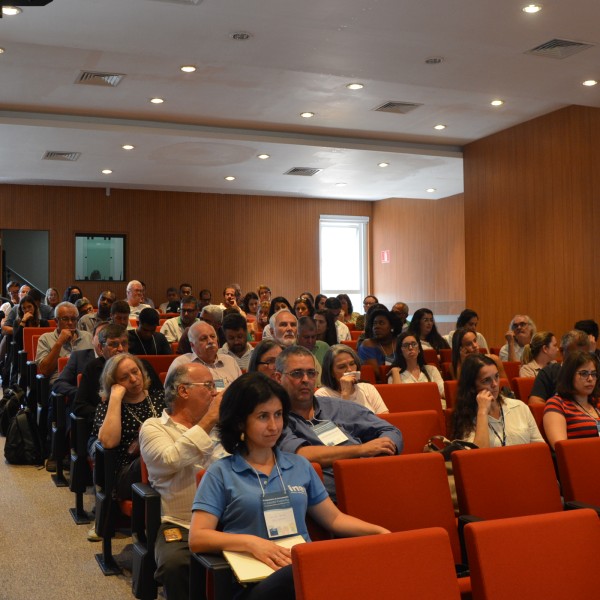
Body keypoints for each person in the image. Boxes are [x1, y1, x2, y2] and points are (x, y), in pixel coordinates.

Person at [189, 372, 389, 600]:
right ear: (240, 421)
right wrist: (252, 544)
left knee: (348, 566)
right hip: (253, 581)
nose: (274, 425)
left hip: (303, 572)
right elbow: (197, 538)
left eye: (278, 415)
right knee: (301, 575)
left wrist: (379, 533)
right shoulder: (221, 473)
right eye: (263, 416)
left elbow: (334, 519)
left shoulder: (300, 466)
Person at [139, 362, 224, 600]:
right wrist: (209, 420)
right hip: (181, 523)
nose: (215, 392)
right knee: (174, 564)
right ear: (183, 391)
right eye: (208, 386)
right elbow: (169, 459)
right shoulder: (154, 427)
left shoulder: (224, 427)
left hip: (228, 520)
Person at [276, 346, 403, 498]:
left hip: (374, 483)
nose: (305, 380)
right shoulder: (276, 417)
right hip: (331, 499)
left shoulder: (336, 407)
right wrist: (361, 449)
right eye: (297, 374)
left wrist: (378, 459)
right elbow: (301, 454)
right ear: (278, 378)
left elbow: (391, 431)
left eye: (311, 373)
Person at [91, 353, 166, 499]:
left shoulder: (160, 398)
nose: (133, 379)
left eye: (135, 371)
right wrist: (115, 398)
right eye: (124, 378)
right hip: (129, 471)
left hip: (165, 462)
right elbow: (108, 442)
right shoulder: (108, 407)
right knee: (152, 457)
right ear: (113, 383)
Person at [451, 354, 543, 447]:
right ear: (472, 387)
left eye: (496, 376)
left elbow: (540, 448)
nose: (495, 384)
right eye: (486, 380)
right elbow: (478, 457)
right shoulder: (466, 417)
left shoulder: (519, 407)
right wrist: (482, 411)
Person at [543, 351, 600, 449]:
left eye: (594, 374)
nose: (590, 379)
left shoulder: (597, 403)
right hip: (581, 460)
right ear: (569, 376)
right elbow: (561, 448)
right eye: (584, 373)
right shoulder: (557, 404)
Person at [166, 321, 242, 387]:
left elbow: (243, 391)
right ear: (192, 345)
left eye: (212, 336)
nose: (210, 341)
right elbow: (170, 397)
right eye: (203, 338)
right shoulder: (181, 364)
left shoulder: (230, 361)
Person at [316, 344, 388, 414]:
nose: (350, 370)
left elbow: (385, 420)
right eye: (342, 367)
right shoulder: (322, 395)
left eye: (352, 364)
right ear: (331, 372)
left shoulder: (368, 388)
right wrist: (345, 394)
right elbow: (338, 424)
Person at [35, 301, 94, 385]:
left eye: (73, 319)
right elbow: (45, 370)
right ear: (56, 321)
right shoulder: (45, 338)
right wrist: (59, 342)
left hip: (86, 381)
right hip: (60, 383)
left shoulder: (88, 337)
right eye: (65, 319)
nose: (70, 323)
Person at [529, 330, 590, 405]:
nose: (581, 360)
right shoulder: (548, 373)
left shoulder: (592, 374)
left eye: (585, 355)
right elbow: (535, 403)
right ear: (562, 351)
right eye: (575, 355)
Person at [388, 331, 445, 405]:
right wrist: (395, 372)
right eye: (406, 345)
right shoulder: (395, 375)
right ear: (400, 351)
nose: (410, 348)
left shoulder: (431, 370)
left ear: (419, 349)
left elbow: (443, 390)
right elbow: (397, 399)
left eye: (414, 344)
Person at [358, 307, 398, 382]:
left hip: (401, 381)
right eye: (374, 324)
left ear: (392, 326)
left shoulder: (400, 342)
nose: (376, 327)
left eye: (381, 323)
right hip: (377, 385)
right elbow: (377, 374)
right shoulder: (368, 344)